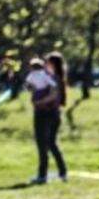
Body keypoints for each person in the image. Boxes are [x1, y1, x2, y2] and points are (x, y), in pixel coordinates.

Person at [30, 53, 68, 184]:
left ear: (53, 64)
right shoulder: (58, 79)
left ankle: (42, 175)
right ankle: (62, 172)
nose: (44, 65)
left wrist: (39, 102)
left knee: (42, 145)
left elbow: (53, 95)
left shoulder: (52, 78)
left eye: (47, 62)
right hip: (54, 114)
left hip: (44, 114)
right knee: (52, 144)